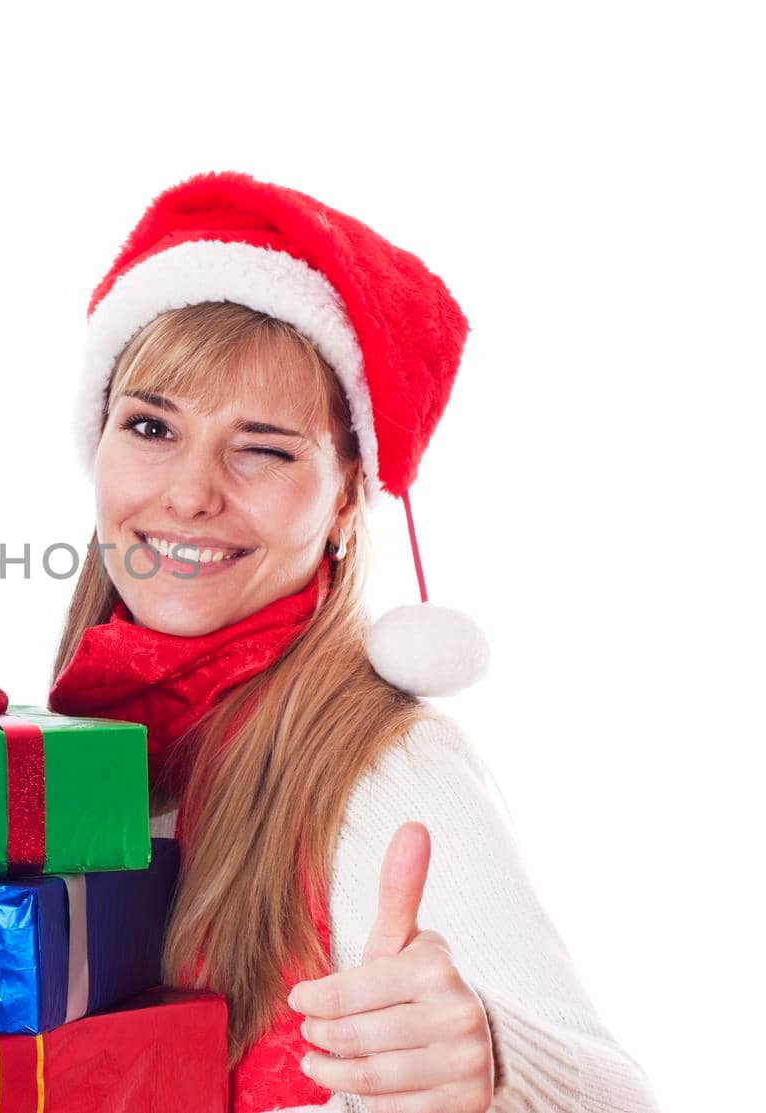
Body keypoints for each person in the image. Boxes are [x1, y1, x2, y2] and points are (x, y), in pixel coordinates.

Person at [46, 172, 660, 1112]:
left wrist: (486, 1067)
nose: (188, 492)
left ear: (343, 498)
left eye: (263, 446)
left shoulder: (385, 767)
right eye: (151, 425)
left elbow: (616, 1097)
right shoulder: (63, 746)